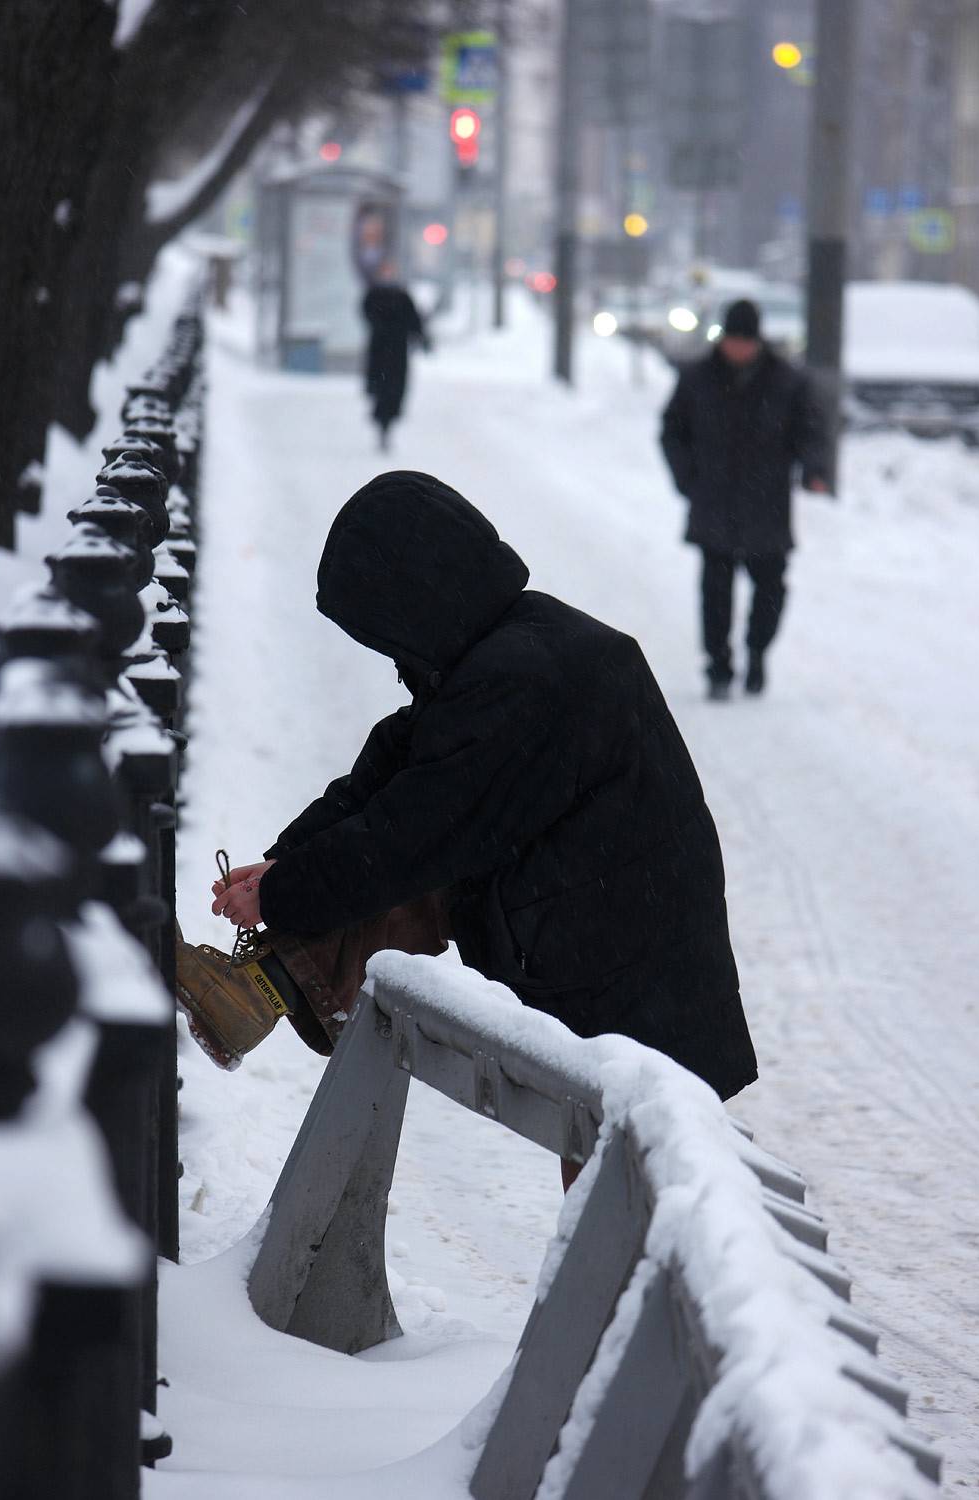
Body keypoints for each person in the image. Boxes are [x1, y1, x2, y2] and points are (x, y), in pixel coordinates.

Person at [178, 472, 757, 1184]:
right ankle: (268, 986)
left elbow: (411, 831)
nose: (390, 657)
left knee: (633, 1201)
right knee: (618, 1196)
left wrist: (283, 893)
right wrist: (286, 866)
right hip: (616, 952)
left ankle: (266, 990)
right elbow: (398, 767)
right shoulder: (518, 641)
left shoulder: (521, 680)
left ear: (414, 601)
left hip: (632, 985)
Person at [660, 298, 829, 700]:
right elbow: (672, 431)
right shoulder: (697, 378)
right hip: (714, 502)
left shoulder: (786, 381)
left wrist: (814, 469)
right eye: (733, 340)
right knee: (715, 594)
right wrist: (687, 479)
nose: (739, 348)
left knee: (770, 590)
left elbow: (811, 430)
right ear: (723, 338)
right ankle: (718, 667)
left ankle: (756, 650)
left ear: (757, 340)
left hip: (766, 505)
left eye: (746, 341)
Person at [362, 264, 429, 451]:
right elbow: (367, 314)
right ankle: (382, 424)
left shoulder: (402, 296)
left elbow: (414, 320)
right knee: (381, 389)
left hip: (397, 351)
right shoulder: (374, 295)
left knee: (394, 390)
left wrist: (421, 337)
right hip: (380, 350)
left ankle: (387, 424)